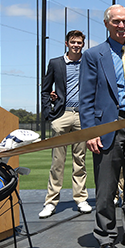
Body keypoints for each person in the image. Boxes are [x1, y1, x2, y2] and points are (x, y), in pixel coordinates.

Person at [80, 5, 125, 248]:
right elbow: (86, 98)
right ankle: (105, 236)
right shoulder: (93, 55)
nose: (122, 26)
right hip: (108, 127)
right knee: (106, 186)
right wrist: (91, 132)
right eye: (117, 21)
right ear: (107, 24)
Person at [39, 30, 91, 218]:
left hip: (82, 116)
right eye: (73, 42)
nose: (76, 45)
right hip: (62, 115)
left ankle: (81, 199)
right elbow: (45, 90)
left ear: (83, 44)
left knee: (80, 161)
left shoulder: (88, 62)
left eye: (79, 42)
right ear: (66, 43)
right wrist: (49, 113)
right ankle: (51, 202)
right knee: (57, 162)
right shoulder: (55, 63)